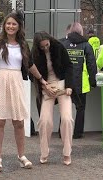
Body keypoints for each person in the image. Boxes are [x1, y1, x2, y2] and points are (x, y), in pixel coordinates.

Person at [0, 10, 48, 172]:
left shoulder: (23, 44)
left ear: (19, 27)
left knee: (18, 121)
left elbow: (30, 64)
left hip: (16, 81)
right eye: (8, 23)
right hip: (0, 81)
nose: (10, 26)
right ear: (4, 25)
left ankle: (21, 155)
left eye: (13, 24)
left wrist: (42, 80)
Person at [31, 31, 74, 165]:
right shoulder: (35, 54)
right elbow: (33, 74)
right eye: (42, 47)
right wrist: (44, 87)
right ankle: (44, 153)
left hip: (61, 85)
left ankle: (67, 153)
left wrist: (69, 86)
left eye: (47, 45)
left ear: (50, 40)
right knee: (44, 121)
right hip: (46, 86)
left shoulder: (59, 46)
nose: (45, 48)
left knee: (67, 119)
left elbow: (69, 66)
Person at [60, 22, 97, 139]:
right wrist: (93, 81)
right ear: (81, 31)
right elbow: (92, 65)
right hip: (81, 83)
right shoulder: (86, 45)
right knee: (80, 108)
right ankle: (78, 133)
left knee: (65, 108)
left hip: (65, 82)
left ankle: (62, 132)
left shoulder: (62, 44)